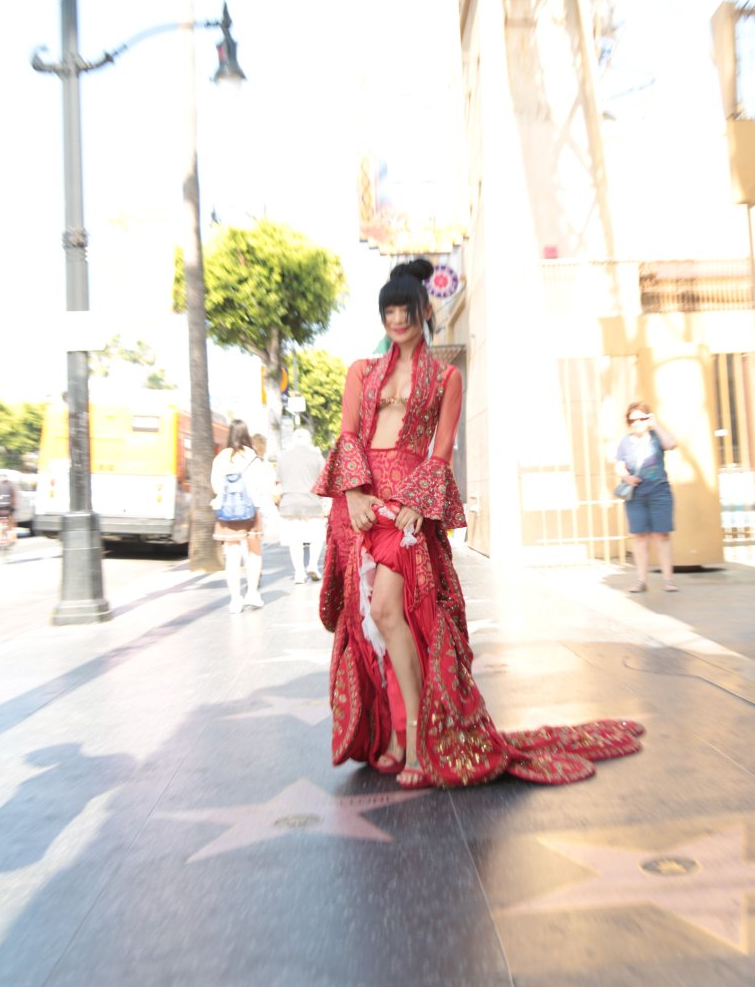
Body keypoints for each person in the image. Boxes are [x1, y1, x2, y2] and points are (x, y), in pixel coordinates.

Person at [314, 258, 643, 789]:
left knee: (390, 612)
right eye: (388, 311)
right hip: (361, 503)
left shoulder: (447, 377)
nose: (396, 320)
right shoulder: (362, 371)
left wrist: (420, 503)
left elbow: (441, 449)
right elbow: (349, 434)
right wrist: (351, 495)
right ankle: (394, 733)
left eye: (405, 310)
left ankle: (417, 736)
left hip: (407, 506)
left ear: (424, 311)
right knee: (373, 625)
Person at [615, 402, 679, 594]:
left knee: (662, 535)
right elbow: (619, 465)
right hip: (636, 495)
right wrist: (626, 477)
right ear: (628, 422)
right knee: (640, 537)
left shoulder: (656, 437)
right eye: (633, 420)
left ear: (648, 418)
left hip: (659, 492)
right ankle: (641, 580)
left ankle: (668, 580)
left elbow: (671, 444)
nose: (637, 423)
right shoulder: (625, 442)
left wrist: (656, 424)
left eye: (642, 418)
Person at [211, 420, 268, 611]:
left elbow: (215, 487)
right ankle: (252, 594)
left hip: (228, 512)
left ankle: (235, 600)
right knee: (254, 553)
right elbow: (261, 485)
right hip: (250, 510)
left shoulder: (221, 457)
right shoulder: (252, 457)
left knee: (232, 555)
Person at [276, 428, 326, 584]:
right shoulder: (317, 458)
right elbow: (324, 482)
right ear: (309, 440)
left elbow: (278, 483)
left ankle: (299, 573)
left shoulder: (283, 458)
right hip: (312, 503)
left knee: (295, 540)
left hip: (289, 504)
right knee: (316, 536)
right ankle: (312, 565)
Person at [0, 474, 19, 551]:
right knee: (9, 522)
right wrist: (14, 506)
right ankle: (9, 539)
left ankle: (0, 539)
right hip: (9, 508)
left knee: (0, 522)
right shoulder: (11, 485)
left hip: (1, 508)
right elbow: (14, 496)